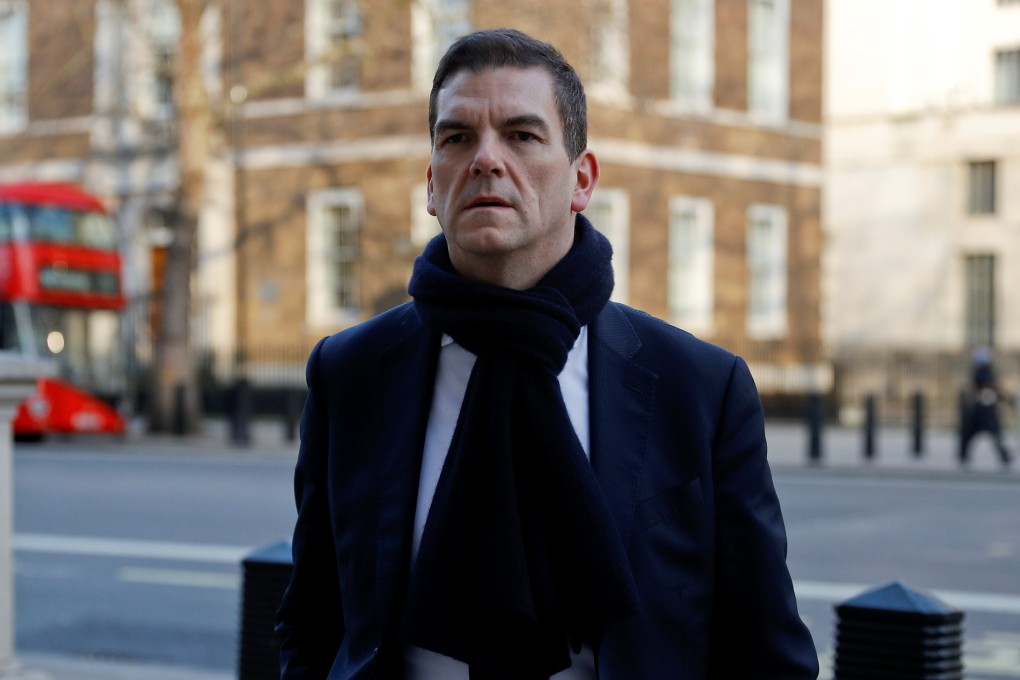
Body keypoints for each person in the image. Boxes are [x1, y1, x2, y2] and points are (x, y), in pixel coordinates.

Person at [276, 28, 819, 680]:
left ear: (581, 180)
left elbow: (766, 650)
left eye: (522, 135)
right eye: (457, 138)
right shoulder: (350, 373)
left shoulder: (701, 388)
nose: (485, 159)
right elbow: (313, 621)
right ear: (431, 186)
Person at [959, 346, 1013, 468]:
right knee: (994, 434)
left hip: (982, 407)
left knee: (972, 433)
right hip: (986, 408)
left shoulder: (980, 371)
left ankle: (963, 455)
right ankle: (1004, 456)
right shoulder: (986, 372)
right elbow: (992, 388)